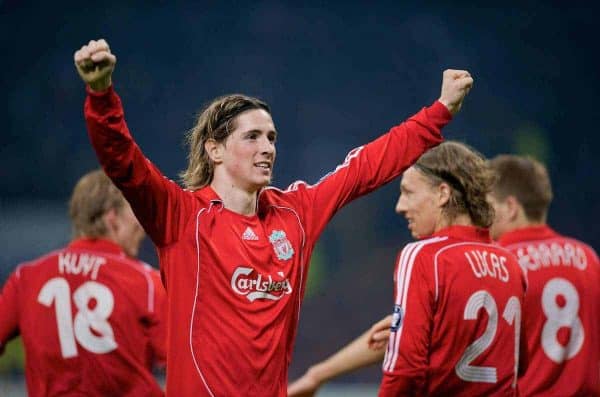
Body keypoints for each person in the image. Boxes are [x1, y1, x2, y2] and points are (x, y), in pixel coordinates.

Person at [73, 38, 473, 397]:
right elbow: (123, 161)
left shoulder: (295, 214)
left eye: (272, 138)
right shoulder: (182, 217)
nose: (267, 148)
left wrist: (439, 112)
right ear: (214, 150)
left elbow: (366, 167)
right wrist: (101, 94)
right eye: (252, 137)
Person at [290, 142, 528, 397]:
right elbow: (518, 362)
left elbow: (405, 370)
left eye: (408, 192)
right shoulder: (512, 264)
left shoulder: (423, 256)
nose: (400, 206)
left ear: (442, 194)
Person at [0, 169, 167, 397]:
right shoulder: (146, 283)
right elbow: (185, 364)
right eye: (134, 209)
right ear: (112, 219)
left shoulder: (26, 278)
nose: (141, 223)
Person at [487, 154, 600, 396]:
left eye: (487, 205)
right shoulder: (588, 258)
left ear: (510, 207)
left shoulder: (498, 265)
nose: (482, 216)